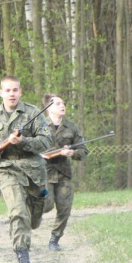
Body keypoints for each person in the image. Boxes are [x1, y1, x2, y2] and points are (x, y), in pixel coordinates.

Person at [0, 76, 53, 263]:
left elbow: (46, 140)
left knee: (34, 219)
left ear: (20, 92)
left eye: (15, 90)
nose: (12, 94)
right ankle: (23, 258)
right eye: (8, 90)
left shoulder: (32, 113)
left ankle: (26, 237)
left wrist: (22, 141)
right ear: (1, 93)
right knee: (17, 211)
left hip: (34, 173)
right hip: (7, 169)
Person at [41, 93, 88, 251]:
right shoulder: (39, 126)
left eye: (63, 103)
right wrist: (57, 151)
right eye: (57, 103)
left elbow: (83, 150)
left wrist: (72, 153)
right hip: (44, 173)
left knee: (65, 208)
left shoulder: (71, 127)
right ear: (48, 108)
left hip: (64, 175)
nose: (62, 106)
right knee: (46, 206)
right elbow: (31, 148)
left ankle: (55, 238)